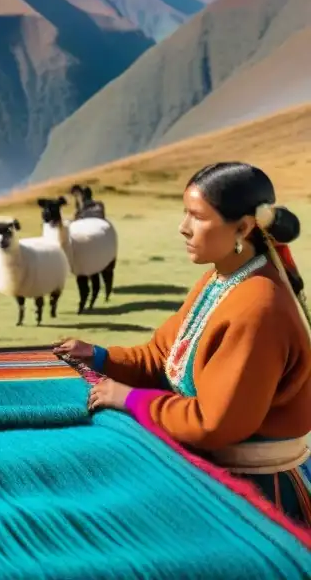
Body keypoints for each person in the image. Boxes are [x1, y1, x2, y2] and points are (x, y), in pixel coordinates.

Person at [55, 162, 311, 526]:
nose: (183, 227)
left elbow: (215, 424)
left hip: (257, 499)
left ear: (242, 227)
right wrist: (99, 356)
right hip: (218, 472)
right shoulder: (225, 278)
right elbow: (164, 355)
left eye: (197, 216)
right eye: (184, 213)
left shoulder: (259, 309)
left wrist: (128, 398)